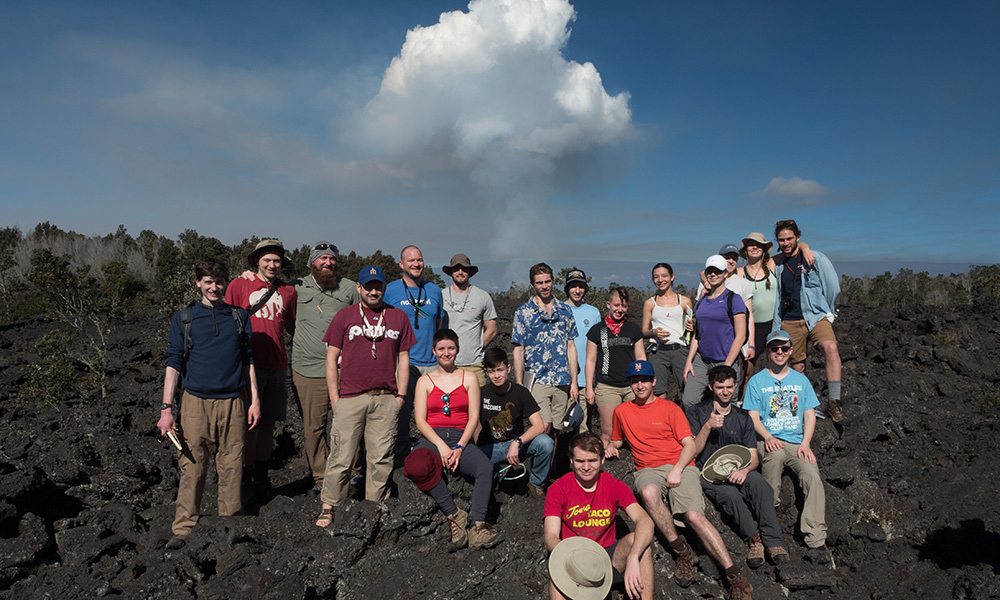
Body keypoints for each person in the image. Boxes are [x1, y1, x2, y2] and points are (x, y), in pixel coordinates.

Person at [607, 360, 752, 598]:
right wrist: (609, 447)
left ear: (654, 381)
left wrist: (677, 469)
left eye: (644, 380)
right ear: (630, 384)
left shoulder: (670, 409)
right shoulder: (621, 412)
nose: (640, 385)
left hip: (681, 465)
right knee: (648, 494)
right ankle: (680, 550)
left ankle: (733, 575)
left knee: (694, 516)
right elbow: (616, 440)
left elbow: (689, 445)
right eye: (635, 381)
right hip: (648, 469)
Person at [157, 259, 260, 549]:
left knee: (232, 466)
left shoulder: (240, 317)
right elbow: (174, 362)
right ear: (198, 283)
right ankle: (184, 530)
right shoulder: (185, 318)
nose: (214, 287)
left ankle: (230, 524)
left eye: (219, 281)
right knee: (192, 466)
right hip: (195, 403)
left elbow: (248, 360)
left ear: (226, 283)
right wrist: (167, 409)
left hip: (233, 402)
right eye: (208, 282)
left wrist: (254, 401)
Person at [315, 265, 416, 528]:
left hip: (386, 398)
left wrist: (401, 396)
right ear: (358, 288)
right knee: (341, 455)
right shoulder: (344, 316)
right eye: (368, 286)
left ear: (385, 288)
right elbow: (331, 358)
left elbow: (403, 358)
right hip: (350, 398)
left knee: (380, 458)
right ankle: (329, 507)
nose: (373, 291)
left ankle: (374, 510)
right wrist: (335, 399)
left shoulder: (398, 317)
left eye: (378, 286)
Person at [406, 329, 503, 549]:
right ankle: (454, 514)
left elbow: (474, 417)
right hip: (433, 438)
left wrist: (460, 447)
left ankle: (479, 526)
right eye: (441, 348)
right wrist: (441, 446)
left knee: (485, 468)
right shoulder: (424, 381)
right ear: (434, 351)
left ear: (457, 350)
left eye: (450, 348)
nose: (446, 353)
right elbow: (420, 420)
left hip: (461, 436)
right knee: (416, 465)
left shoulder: (468, 378)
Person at [687, 365, 788, 569]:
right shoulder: (697, 412)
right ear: (710, 387)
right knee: (731, 496)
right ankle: (754, 540)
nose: (726, 391)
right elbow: (694, 451)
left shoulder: (743, 418)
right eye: (720, 387)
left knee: (760, 484)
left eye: (730, 387)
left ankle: (773, 541)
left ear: (736, 386)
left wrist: (744, 470)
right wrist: (707, 426)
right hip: (709, 473)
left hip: (738, 469)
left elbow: (753, 457)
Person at [744, 331, 831, 564]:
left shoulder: (801, 381)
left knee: (812, 474)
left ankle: (815, 539)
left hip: (796, 442)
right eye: (775, 348)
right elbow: (752, 417)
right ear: (767, 352)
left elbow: (810, 416)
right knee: (773, 461)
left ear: (791, 351)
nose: (779, 352)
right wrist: (767, 436)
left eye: (784, 348)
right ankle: (769, 524)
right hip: (768, 439)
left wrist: (806, 444)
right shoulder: (757, 381)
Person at [544, 432, 655, 600]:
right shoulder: (559, 488)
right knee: (557, 576)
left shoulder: (614, 485)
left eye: (592, 461)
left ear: (602, 460)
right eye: (580, 461)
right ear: (571, 461)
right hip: (574, 556)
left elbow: (645, 520)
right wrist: (573, 559)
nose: (586, 467)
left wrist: (633, 557)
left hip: (607, 558)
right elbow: (551, 536)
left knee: (641, 544)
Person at [225, 239, 296, 501]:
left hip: (277, 364)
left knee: (268, 424)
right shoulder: (239, 285)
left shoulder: (288, 291)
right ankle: (243, 476)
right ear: (257, 261)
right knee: (246, 424)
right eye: (267, 260)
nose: (272, 265)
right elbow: (226, 318)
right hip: (247, 365)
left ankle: (261, 477)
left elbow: (291, 325)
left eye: (276, 260)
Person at [287, 241, 360, 494]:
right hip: (307, 368)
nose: (327, 263)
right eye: (322, 259)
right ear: (312, 263)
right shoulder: (295, 287)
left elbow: (362, 320)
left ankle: (351, 472)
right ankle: (320, 476)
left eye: (331, 259)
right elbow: (285, 316)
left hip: (344, 370)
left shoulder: (350, 288)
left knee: (347, 422)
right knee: (314, 426)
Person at [771, 220, 847, 423]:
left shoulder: (816, 258)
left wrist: (827, 310)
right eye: (782, 239)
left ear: (797, 237)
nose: (786, 243)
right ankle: (805, 407)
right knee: (797, 367)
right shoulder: (778, 265)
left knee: (831, 348)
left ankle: (834, 402)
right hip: (789, 320)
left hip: (815, 316)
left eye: (790, 238)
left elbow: (833, 287)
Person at [384, 245, 445, 454]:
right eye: (411, 261)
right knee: (401, 410)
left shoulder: (435, 290)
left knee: (433, 412)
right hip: (403, 363)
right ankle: (399, 451)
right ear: (401, 264)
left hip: (431, 363)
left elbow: (438, 324)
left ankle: (433, 450)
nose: (416, 264)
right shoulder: (389, 290)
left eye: (419, 260)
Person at [474, 347, 554, 497]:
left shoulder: (520, 392)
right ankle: (493, 477)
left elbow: (538, 425)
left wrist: (517, 442)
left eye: (500, 370)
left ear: (508, 368)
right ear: (486, 372)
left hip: (516, 445)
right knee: (476, 465)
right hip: (489, 449)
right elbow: (471, 422)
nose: (497, 375)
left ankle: (536, 484)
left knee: (545, 442)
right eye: (492, 371)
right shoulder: (480, 393)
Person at [511, 263, 579, 434]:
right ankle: (542, 461)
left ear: (553, 281)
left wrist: (574, 383)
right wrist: (519, 385)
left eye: (547, 282)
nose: (544, 286)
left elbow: (571, 346)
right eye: (540, 283)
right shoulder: (523, 313)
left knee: (560, 428)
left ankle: (553, 462)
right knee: (543, 427)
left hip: (562, 379)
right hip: (537, 380)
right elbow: (518, 350)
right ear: (532, 284)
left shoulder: (565, 311)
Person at [681, 255, 748, 410]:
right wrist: (689, 361)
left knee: (726, 405)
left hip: (726, 359)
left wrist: (726, 367)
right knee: (689, 401)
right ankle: (699, 432)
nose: (713, 274)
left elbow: (741, 336)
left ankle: (725, 434)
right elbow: (698, 335)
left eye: (717, 271)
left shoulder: (734, 299)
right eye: (710, 271)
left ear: (725, 273)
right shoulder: (702, 300)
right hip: (702, 360)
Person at [585, 287, 646, 451]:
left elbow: (641, 356)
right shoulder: (596, 331)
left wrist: (644, 383)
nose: (620, 310)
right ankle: (606, 466)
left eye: (624, 306)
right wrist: (589, 389)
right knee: (608, 431)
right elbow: (590, 360)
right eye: (617, 305)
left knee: (635, 428)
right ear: (608, 304)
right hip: (607, 386)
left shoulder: (633, 329)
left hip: (631, 386)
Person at [440, 253, 498, 387]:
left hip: (475, 366)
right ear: (450, 272)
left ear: (470, 272)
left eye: (464, 268)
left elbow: (492, 329)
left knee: (477, 406)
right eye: (456, 268)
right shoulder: (440, 296)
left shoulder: (482, 297)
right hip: (446, 365)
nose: (460, 272)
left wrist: (476, 347)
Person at [641, 262, 693, 397]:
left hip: (680, 350)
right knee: (658, 393)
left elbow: (691, 328)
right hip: (657, 352)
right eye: (656, 277)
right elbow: (644, 331)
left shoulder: (684, 301)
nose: (660, 280)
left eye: (664, 276)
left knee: (687, 391)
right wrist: (653, 332)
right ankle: (662, 419)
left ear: (672, 277)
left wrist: (691, 327)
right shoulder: (650, 303)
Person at [564, 269, 601, 394]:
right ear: (566, 288)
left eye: (581, 286)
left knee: (586, 414)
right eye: (573, 286)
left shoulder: (594, 312)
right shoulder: (558, 310)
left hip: (587, 379)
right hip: (564, 380)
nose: (577, 291)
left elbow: (599, 345)